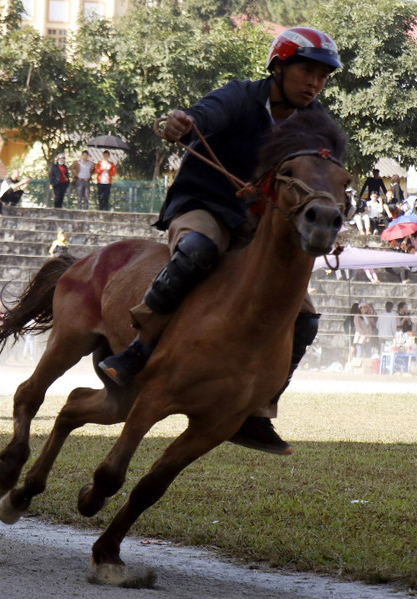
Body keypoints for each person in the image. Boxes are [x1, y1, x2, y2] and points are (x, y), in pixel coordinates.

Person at [97, 27, 343, 455]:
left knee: (305, 318)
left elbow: (323, 173)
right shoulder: (240, 96)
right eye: (307, 70)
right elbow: (203, 116)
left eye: (323, 76)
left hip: (254, 225)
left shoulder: (316, 124)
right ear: (279, 67)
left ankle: (260, 408)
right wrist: (182, 122)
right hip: (205, 205)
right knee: (198, 251)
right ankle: (136, 351)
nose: (315, 83)